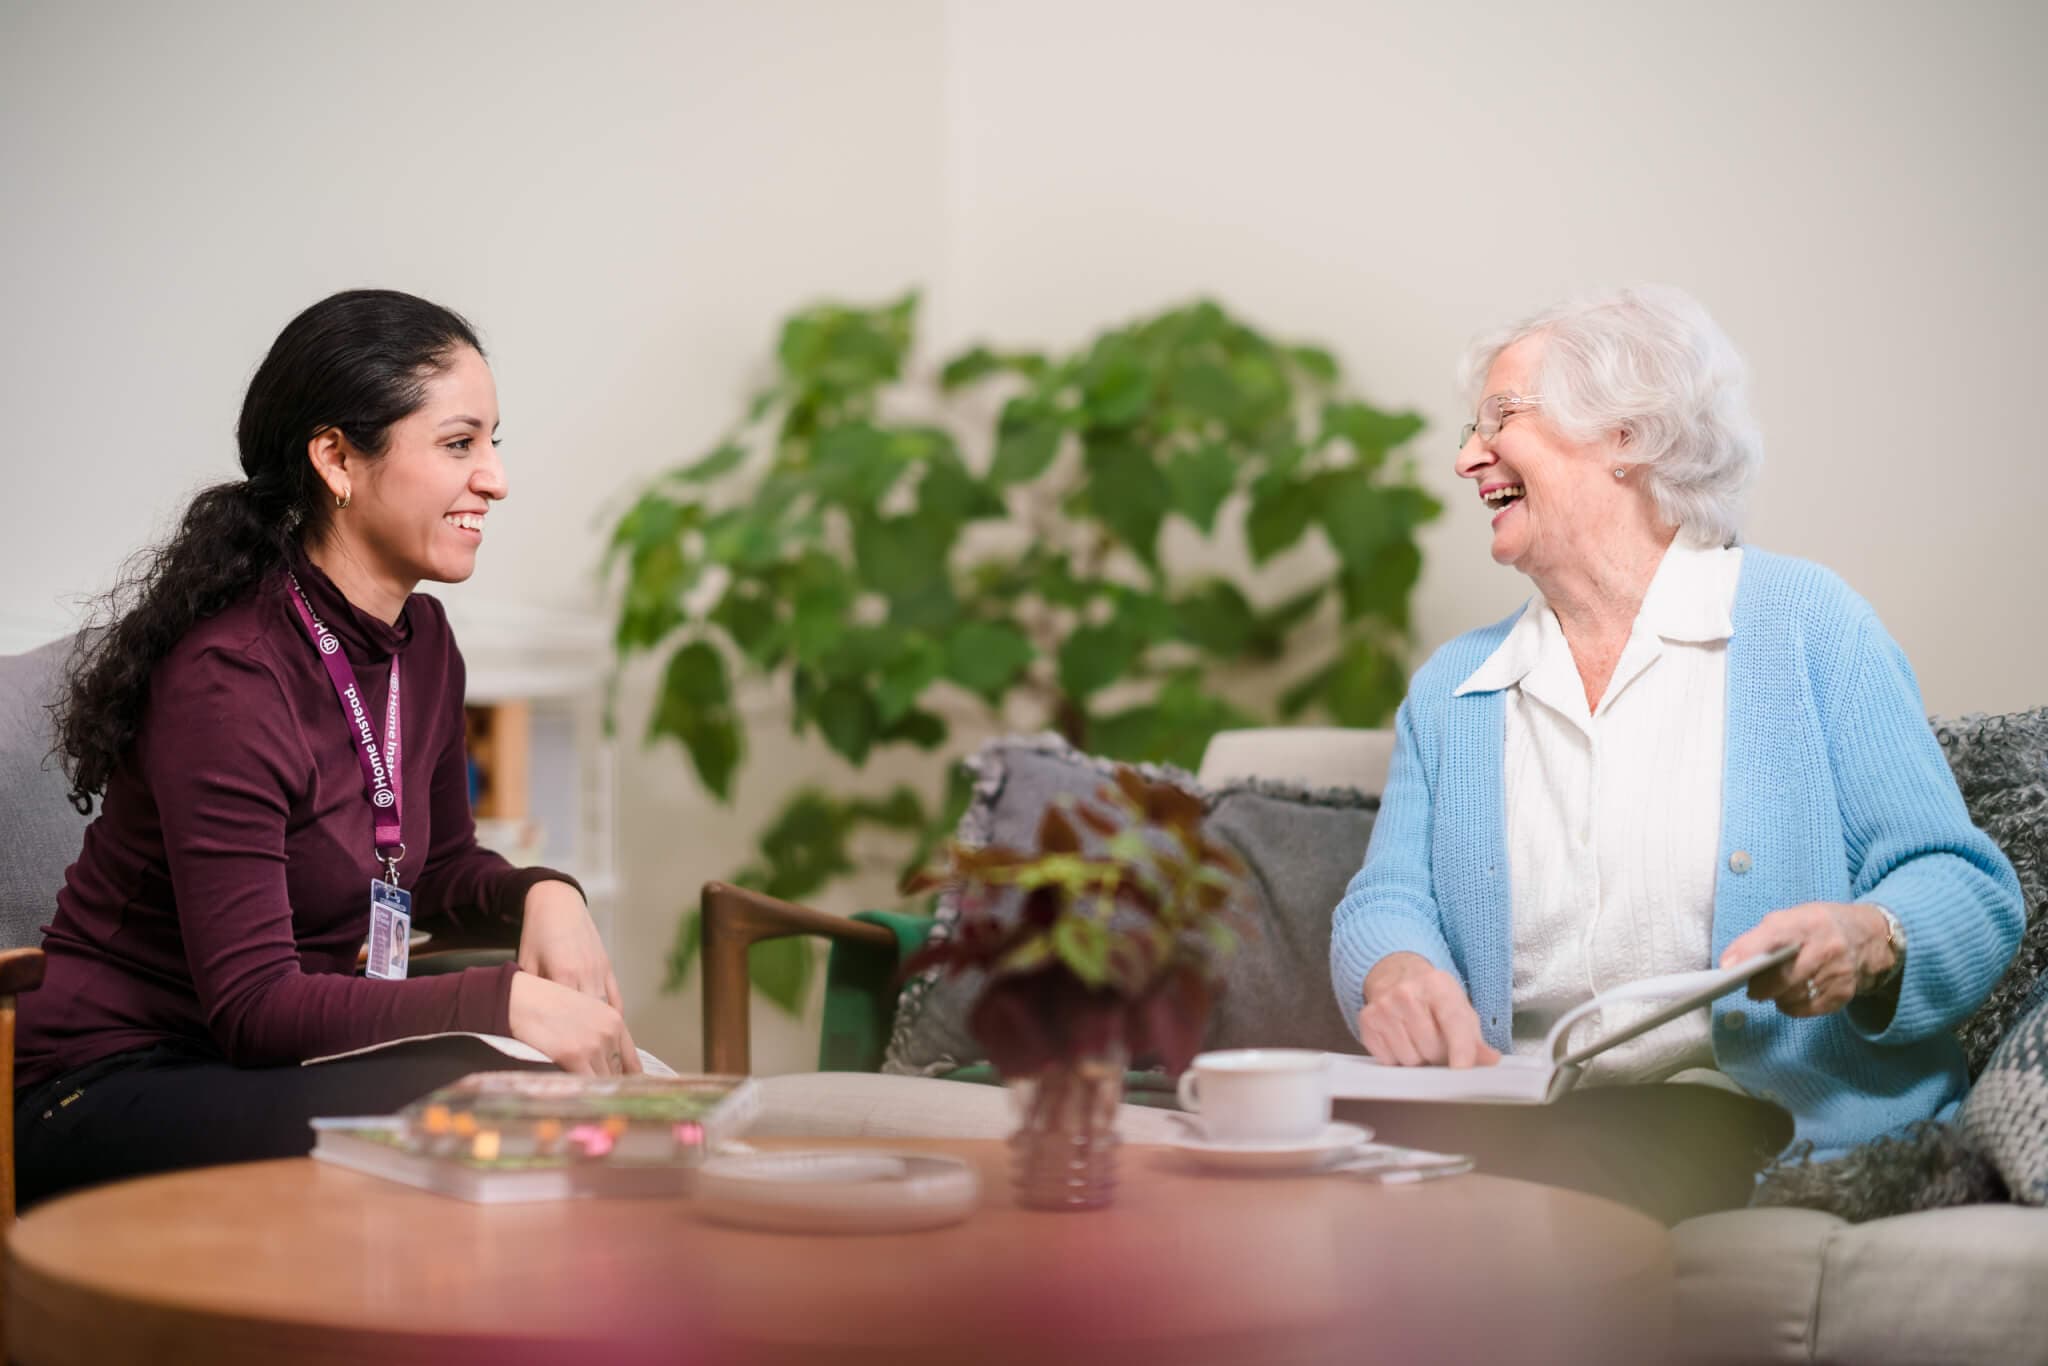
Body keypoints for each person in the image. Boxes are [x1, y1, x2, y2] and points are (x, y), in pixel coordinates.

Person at [1328, 285, 2023, 1223]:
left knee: (1497, 1215)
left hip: (1743, 1123)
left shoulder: (1808, 627)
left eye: (1501, 418)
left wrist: (1868, 938)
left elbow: (1965, 887)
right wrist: (1397, 971)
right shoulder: (1455, 687)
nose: (1465, 457)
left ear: (1627, 435)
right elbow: (1388, 897)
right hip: (1514, 1114)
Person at [16, 289, 637, 1209]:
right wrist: (504, 997)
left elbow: (434, 866)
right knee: (510, 1093)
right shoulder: (232, 678)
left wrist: (544, 892)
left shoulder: (422, 642)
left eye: (493, 442)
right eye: (460, 444)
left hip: (261, 1071)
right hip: (103, 1086)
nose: (496, 479)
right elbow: (255, 1004)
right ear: (338, 459)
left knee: (597, 1087)